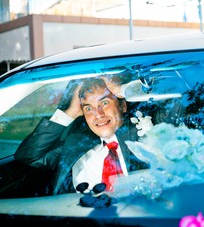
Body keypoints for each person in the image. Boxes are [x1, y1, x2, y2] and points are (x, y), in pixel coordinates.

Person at [14, 77, 145, 194]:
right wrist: (70, 112)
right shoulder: (76, 144)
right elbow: (28, 157)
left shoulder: (146, 134)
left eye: (104, 103)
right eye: (88, 108)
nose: (98, 114)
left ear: (122, 105)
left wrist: (122, 90)